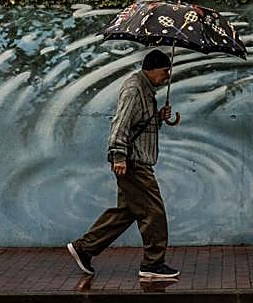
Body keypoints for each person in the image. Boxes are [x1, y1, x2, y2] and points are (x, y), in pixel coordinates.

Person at [67, 49, 181, 279]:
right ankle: (152, 264)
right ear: (152, 69)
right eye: (165, 71)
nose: (167, 76)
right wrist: (118, 155)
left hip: (135, 160)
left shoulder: (146, 90)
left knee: (126, 212)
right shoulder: (134, 89)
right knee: (154, 212)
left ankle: (85, 248)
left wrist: (158, 117)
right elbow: (120, 123)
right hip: (133, 162)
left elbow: (139, 124)